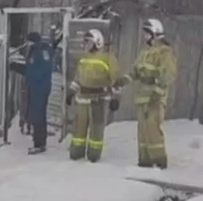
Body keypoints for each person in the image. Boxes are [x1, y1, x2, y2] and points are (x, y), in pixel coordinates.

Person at [115, 18, 177, 169]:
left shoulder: (165, 53)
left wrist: (158, 92)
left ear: (154, 33)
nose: (144, 37)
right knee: (142, 130)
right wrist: (124, 79)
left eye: (147, 34)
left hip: (155, 97)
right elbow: (136, 71)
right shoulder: (145, 53)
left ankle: (159, 160)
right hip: (142, 97)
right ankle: (145, 160)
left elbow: (167, 75)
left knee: (152, 128)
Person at [65, 29, 119, 163]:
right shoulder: (83, 59)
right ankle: (76, 153)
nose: (85, 45)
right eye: (85, 42)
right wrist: (71, 92)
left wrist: (115, 98)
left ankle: (94, 155)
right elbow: (78, 78)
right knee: (79, 127)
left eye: (88, 42)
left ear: (97, 43)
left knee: (97, 128)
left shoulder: (108, 58)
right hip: (82, 98)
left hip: (99, 99)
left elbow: (116, 80)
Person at [10, 32, 55, 154]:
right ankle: (39, 143)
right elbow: (30, 68)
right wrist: (15, 67)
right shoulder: (35, 50)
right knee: (37, 115)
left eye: (28, 41)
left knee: (38, 115)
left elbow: (39, 70)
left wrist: (26, 72)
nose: (27, 43)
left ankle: (39, 144)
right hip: (36, 87)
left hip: (40, 88)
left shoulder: (41, 51)